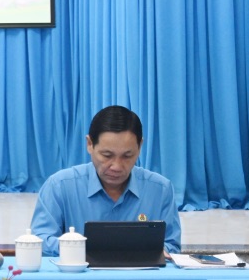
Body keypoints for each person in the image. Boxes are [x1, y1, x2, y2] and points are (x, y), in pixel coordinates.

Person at [30, 105, 181, 256]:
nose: (116, 166)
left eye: (127, 156)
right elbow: (39, 241)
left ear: (140, 146)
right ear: (90, 144)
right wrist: (88, 248)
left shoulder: (160, 190)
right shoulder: (59, 186)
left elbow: (171, 246)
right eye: (107, 155)